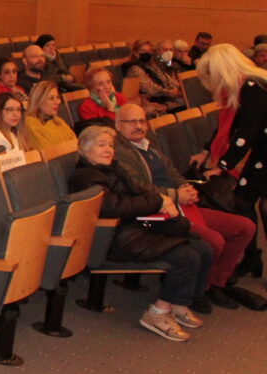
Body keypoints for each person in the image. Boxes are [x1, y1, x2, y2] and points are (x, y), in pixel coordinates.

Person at [112, 103, 264, 311]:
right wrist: (176, 194)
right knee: (214, 241)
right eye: (131, 121)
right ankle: (198, 290)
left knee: (244, 227)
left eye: (142, 120)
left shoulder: (149, 142)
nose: (139, 126)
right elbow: (137, 187)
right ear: (118, 124)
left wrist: (184, 185)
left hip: (182, 204)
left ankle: (215, 283)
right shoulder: (119, 151)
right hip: (159, 211)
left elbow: (170, 171)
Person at [69, 126, 212, 341]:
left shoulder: (112, 168)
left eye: (110, 145)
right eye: (101, 145)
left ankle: (177, 303)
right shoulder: (86, 176)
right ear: (84, 149)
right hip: (115, 238)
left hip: (133, 228)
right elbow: (112, 208)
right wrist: (156, 201)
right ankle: (157, 313)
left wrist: (164, 200)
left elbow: (138, 190)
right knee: (186, 256)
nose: (108, 150)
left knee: (202, 247)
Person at [196, 43, 267, 275]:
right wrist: (209, 152)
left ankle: (251, 258)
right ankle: (251, 258)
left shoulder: (253, 86)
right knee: (245, 201)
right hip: (261, 153)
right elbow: (229, 128)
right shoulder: (246, 85)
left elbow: (247, 132)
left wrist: (223, 166)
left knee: (248, 202)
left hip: (263, 154)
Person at [126, 39, 187, 114]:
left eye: (149, 51)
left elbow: (165, 78)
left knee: (188, 101)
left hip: (164, 99)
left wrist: (180, 87)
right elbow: (149, 88)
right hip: (150, 102)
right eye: (143, 51)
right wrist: (168, 92)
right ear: (135, 53)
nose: (146, 53)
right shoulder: (134, 68)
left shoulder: (151, 65)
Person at [23, 81, 75, 151]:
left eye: (57, 97)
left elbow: (75, 144)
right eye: (51, 98)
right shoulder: (29, 123)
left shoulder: (58, 121)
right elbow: (47, 152)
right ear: (38, 100)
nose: (57, 102)